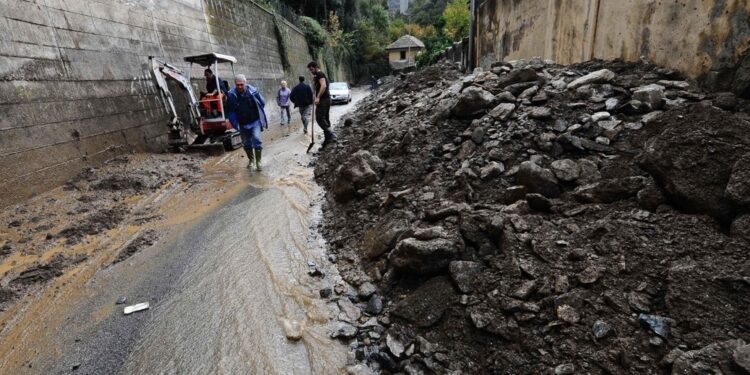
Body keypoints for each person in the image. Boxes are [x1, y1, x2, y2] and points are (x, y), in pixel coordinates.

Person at [227, 74, 268, 171]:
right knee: (246, 143)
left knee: (257, 139)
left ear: (245, 83)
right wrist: (231, 121)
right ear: (235, 84)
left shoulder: (253, 92)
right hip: (242, 123)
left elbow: (262, 103)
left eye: (241, 84)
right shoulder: (232, 95)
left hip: (255, 121)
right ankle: (251, 160)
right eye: (238, 85)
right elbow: (229, 109)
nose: (240, 87)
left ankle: (258, 162)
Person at [307, 61, 336, 148]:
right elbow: (318, 87)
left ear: (316, 67)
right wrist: (314, 96)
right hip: (326, 99)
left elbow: (323, 86)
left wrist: (318, 97)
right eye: (310, 70)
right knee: (325, 118)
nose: (311, 71)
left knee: (319, 118)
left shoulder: (320, 74)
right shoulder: (317, 76)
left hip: (324, 100)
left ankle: (331, 135)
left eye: (312, 69)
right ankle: (328, 139)